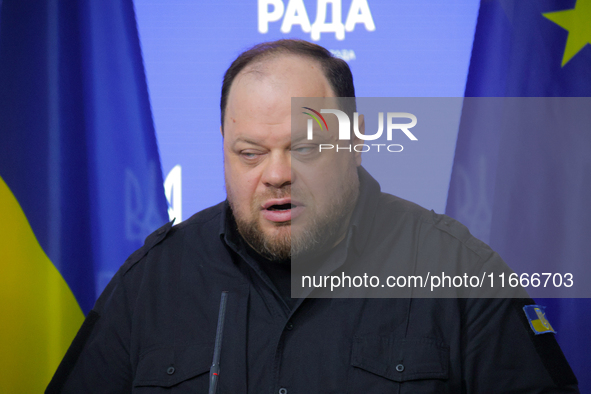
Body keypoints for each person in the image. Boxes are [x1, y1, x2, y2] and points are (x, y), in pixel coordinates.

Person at [47, 39, 578, 393]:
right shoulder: (152, 283)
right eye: (250, 153)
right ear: (224, 148)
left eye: (304, 148)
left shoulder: (460, 273)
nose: (276, 175)